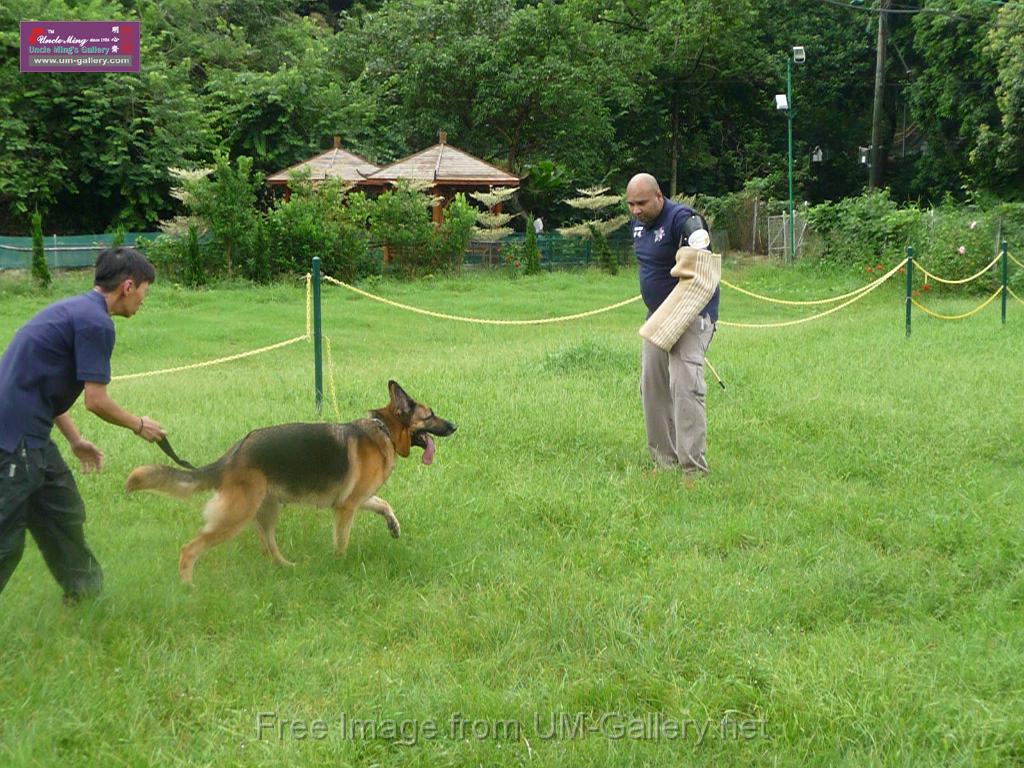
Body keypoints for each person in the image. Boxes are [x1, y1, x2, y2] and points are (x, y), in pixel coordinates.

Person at [0, 246, 167, 603]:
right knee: (5, 542)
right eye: (143, 291)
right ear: (127, 286)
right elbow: (96, 400)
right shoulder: (96, 323)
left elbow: (41, 385)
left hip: (30, 431)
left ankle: (85, 598)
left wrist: (74, 440)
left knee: (62, 507)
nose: (142, 300)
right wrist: (139, 425)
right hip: (13, 440)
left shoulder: (72, 311)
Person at [626, 173, 720, 476]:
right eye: (631, 205)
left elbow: (703, 262)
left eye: (641, 203)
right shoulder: (638, 225)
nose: (636, 210)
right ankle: (663, 462)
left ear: (658, 196)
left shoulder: (684, 219)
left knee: (684, 384)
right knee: (651, 385)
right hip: (657, 316)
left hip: (692, 315)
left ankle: (693, 469)